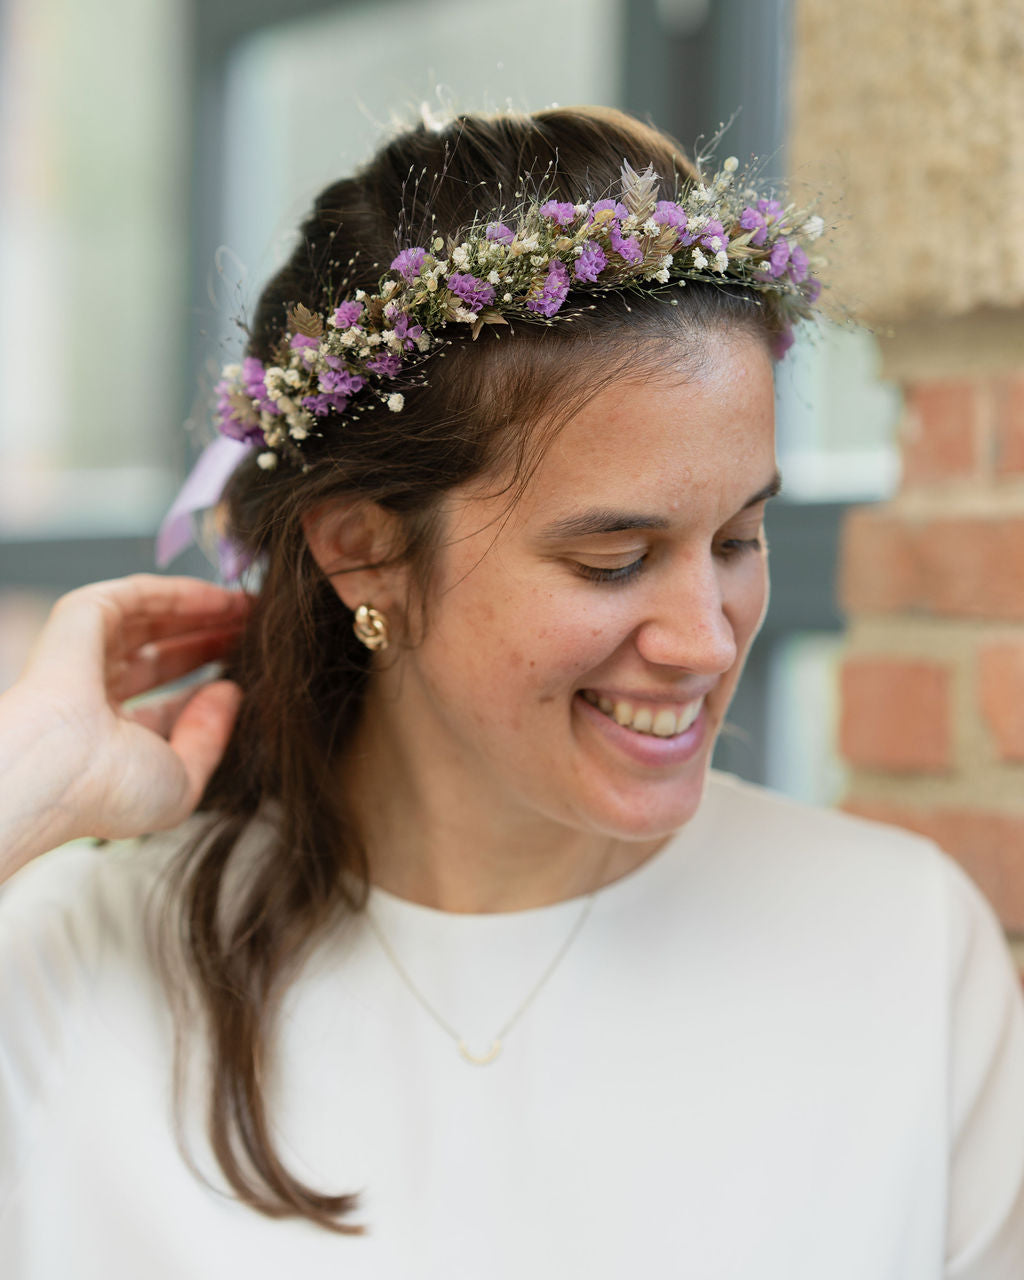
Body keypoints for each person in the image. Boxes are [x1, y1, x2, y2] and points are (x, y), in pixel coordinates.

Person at [0, 106, 1022, 1278]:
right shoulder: (70, 962)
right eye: (613, 559)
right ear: (363, 551)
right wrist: (20, 783)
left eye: (738, 537)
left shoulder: (897, 944)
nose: (704, 639)